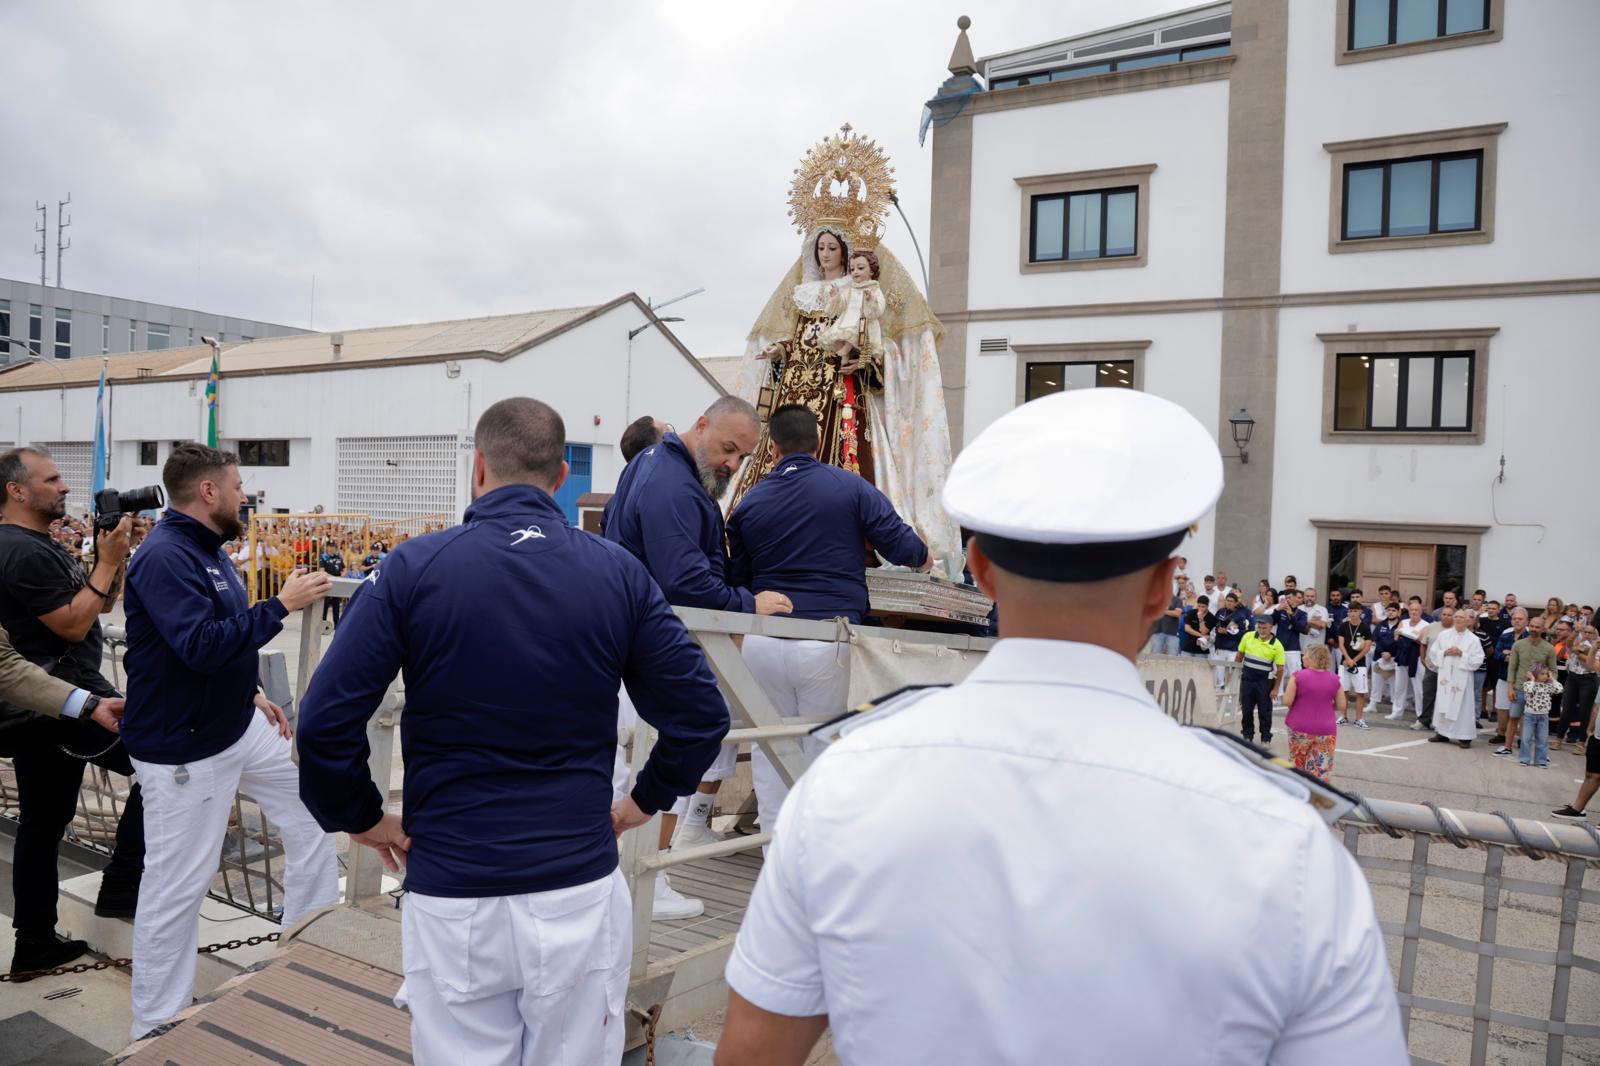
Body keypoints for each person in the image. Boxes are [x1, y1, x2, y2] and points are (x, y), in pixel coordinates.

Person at [714, 388, 1407, 1065]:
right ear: (1166, 587)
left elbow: (751, 1052)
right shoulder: (1285, 842)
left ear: (980, 569)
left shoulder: (844, 784)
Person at [297, 398, 731, 1066]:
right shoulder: (616, 572)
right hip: (575, 885)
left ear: (478, 469)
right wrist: (642, 802)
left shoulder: (414, 569)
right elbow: (700, 713)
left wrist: (359, 815)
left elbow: (326, 718)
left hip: (453, 885)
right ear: (561, 477)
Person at [120, 443, 339, 1038]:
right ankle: (157, 1023)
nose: (246, 495)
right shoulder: (166, 557)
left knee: (315, 811)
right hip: (185, 750)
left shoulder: (205, 551)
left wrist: (249, 694)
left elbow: (211, 645)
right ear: (209, 493)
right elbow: (198, 644)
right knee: (177, 887)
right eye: (239, 485)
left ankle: (305, 941)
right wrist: (281, 605)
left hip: (236, 727)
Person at [605, 396, 793, 917]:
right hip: (653, 641)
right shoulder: (672, 481)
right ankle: (645, 880)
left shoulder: (653, 466)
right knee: (669, 746)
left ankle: (634, 876)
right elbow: (684, 581)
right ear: (701, 425)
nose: (732, 464)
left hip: (633, 638)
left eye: (742, 458)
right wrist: (746, 603)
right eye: (728, 449)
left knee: (632, 760)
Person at [727, 404, 929, 834]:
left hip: (764, 641)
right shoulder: (849, 487)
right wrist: (926, 557)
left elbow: (738, 578)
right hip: (826, 641)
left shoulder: (751, 502)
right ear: (818, 442)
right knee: (824, 751)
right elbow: (904, 548)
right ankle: (813, 860)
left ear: (774, 447)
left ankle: (772, 853)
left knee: (769, 752)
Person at [0, 447, 145, 975]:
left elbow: (99, 602)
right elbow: (72, 625)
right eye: (53, 478)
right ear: (17, 490)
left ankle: (34, 941)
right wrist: (105, 561)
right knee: (163, 762)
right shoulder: (20, 549)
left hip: (48, 704)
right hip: (65, 706)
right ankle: (123, 889)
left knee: (43, 823)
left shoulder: (40, 545)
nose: (65, 487)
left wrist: (115, 555)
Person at [1552, 636, 1600, 818]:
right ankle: (1577, 808)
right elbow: (1591, 665)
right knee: (1591, 773)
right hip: (1598, 732)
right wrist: (1591, 726)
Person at [1284, 643, 1344, 781]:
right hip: (1326, 729)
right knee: (1321, 768)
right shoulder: (1334, 679)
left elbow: (1287, 700)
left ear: (1311, 658)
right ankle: (1317, 797)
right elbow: (1341, 705)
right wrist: (1326, 706)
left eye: (1305, 655)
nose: (1303, 658)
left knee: (1296, 762)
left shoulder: (1298, 676)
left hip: (1299, 725)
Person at [1500, 616, 1558, 759]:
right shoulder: (1518, 645)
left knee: (1535, 723)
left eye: (1537, 627)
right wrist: (1510, 687)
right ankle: (1507, 747)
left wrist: (1547, 686)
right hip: (1519, 688)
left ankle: (1535, 753)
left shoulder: (1549, 648)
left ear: (1543, 629)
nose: (1534, 629)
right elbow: (1512, 668)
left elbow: (1554, 670)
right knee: (1513, 717)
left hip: (1538, 693)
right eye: (1532, 626)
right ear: (1528, 625)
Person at [1427, 608, 1485, 749]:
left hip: (1462, 679)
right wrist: (1444, 652)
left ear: (1467, 621)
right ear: (1453, 619)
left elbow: (1478, 659)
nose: (1459, 619)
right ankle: (1442, 732)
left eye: (1462, 617)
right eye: (1456, 617)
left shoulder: (1473, 639)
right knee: (1444, 702)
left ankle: (1464, 736)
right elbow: (1434, 652)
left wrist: (1461, 654)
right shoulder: (1444, 635)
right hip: (1446, 678)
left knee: (1463, 707)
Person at [1236, 614, 1286, 745]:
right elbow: (1239, 656)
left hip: (1264, 682)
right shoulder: (1248, 636)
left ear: (1271, 628)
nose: (1261, 630)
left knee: (1265, 712)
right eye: (1259, 627)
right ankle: (1247, 736)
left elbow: (1280, 669)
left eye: (1265, 628)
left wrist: (1275, 688)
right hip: (1247, 679)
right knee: (1246, 710)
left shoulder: (1277, 645)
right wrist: (1235, 676)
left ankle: (1265, 738)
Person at [1555, 625, 1597, 751]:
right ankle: (1558, 739)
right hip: (1572, 677)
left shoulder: (1596, 646)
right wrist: (1576, 631)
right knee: (1566, 709)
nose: (1587, 634)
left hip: (1589, 678)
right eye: (1585, 632)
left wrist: (1578, 652)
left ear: (1595, 635)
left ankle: (1581, 742)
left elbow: (1593, 664)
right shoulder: (1576, 641)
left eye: (1591, 633)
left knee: (1585, 711)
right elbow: (1568, 644)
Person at [1337, 592, 1373, 729]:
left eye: (1355, 611)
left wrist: (1354, 660)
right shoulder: (1343, 626)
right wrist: (1347, 658)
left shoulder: (1365, 627)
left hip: (1360, 664)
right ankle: (1343, 716)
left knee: (1360, 692)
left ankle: (1359, 719)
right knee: (1343, 691)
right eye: (1351, 611)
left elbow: (1367, 647)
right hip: (1344, 663)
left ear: (1361, 612)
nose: (1353, 613)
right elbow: (1341, 644)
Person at [1518, 663, 1561, 768]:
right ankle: (1524, 759)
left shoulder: (1548, 686)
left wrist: (1552, 678)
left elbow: (1559, 689)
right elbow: (1528, 690)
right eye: (1542, 674)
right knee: (1526, 738)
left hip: (1543, 716)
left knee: (1542, 739)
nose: (1545, 676)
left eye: (1547, 674)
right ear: (1535, 674)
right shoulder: (1528, 684)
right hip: (1529, 716)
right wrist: (1532, 679)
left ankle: (1541, 760)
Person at [1209, 591, 1250, 691]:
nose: (1229, 603)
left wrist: (1228, 632)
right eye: (1227, 600)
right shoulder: (1220, 612)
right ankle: (1217, 692)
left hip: (1233, 649)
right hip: (1220, 647)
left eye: (1232, 601)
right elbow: (1214, 624)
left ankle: (1232, 694)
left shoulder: (1240, 616)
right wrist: (1218, 629)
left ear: (1236, 603)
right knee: (1218, 671)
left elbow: (1243, 633)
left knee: (1232, 672)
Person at [1374, 601, 1403, 716]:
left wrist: (1391, 654)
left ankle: (1395, 709)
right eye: (1389, 610)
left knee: (1395, 686)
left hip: (1394, 659)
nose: (1390, 613)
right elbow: (1376, 640)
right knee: (1376, 683)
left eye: (1393, 610)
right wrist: (1382, 652)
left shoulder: (1402, 625)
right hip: (1379, 657)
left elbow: (1400, 642)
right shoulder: (1381, 625)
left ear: (1398, 612)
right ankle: (1373, 704)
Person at [1179, 594, 1215, 658]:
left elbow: (1204, 631)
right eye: (1199, 606)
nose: (1200, 609)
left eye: (1203, 607)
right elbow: (1187, 629)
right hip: (1188, 647)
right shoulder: (1191, 613)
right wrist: (1201, 635)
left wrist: (1200, 619)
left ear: (1207, 606)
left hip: (1201, 650)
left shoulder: (1211, 617)